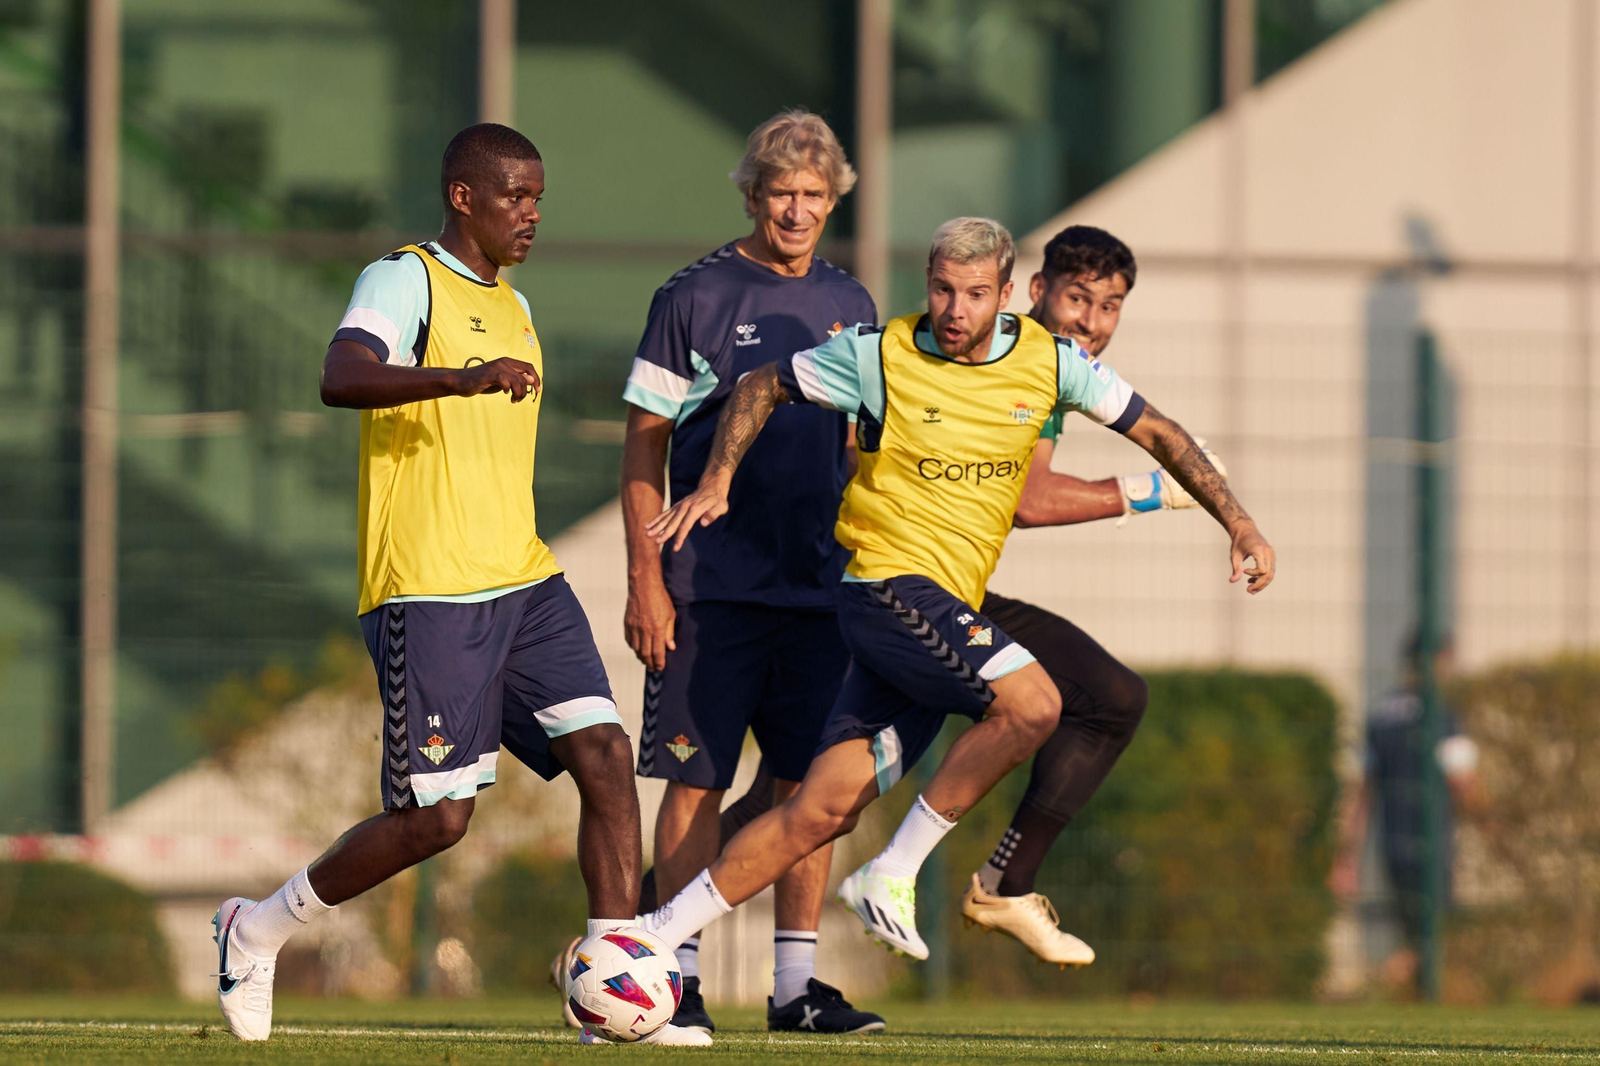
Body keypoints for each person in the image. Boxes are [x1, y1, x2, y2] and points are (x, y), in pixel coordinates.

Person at [635, 217, 1275, 963]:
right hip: (885, 585)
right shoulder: (880, 353)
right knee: (1035, 702)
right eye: (942, 289)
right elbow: (760, 384)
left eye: (974, 294)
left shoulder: (1051, 364)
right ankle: (896, 874)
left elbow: (1158, 431)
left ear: (1006, 295)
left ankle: (648, 940)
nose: (955, 310)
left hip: (942, 606)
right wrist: (716, 479)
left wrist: (1240, 523)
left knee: (819, 810)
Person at [210, 124, 700, 1047]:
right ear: (463, 197)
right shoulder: (404, 278)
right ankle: (258, 927)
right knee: (438, 822)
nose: (533, 213)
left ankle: (613, 995)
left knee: (603, 754)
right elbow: (340, 373)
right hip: (428, 586)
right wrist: (461, 379)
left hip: (520, 573)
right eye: (515, 195)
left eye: (539, 196)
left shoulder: (514, 304)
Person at [612, 109, 883, 1035]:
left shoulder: (855, 302)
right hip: (709, 589)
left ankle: (793, 990)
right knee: (695, 782)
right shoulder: (692, 294)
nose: (797, 211)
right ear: (753, 193)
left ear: (834, 197)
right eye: (781, 194)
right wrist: (646, 580)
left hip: (818, 590)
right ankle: (674, 985)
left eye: (814, 195)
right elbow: (642, 453)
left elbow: (860, 453)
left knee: (809, 793)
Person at [1330, 634, 1483, 994]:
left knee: (1415, 931)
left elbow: (1361, 791)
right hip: (1433, 844)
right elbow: (1463, 781)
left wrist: (1347, 854)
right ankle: (1378, 985)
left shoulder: (1380, 716)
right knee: (1432, 931)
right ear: (1437, 661)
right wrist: (1492, 820)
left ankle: (1396, 988)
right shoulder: (1442, 716)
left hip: (1392, 844)